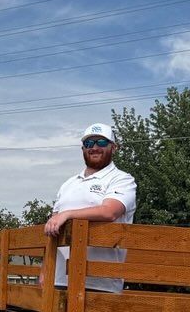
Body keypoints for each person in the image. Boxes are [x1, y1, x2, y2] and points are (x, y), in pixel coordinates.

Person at [44, 122, 136, 293]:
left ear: (113, 147)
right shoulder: (68, 184)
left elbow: (110, 212)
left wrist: (68, 214)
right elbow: (53, 229)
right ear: (83, 149)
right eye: (88, 143)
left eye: (101, 142)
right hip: (59, 282)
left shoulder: (122, 179)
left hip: (101, 285)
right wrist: (45, 271)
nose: (94, 147)